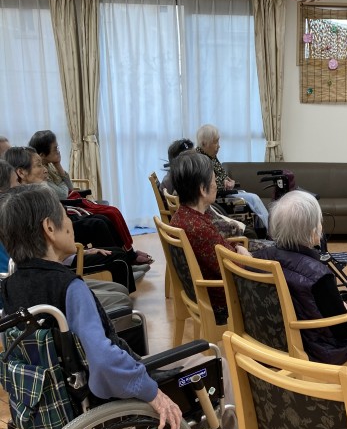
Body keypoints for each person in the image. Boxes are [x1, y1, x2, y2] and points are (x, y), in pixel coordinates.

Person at [0, 184, 181, 429]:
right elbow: (104, 361)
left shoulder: (10, 287)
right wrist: (152, 392)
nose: (70, 223)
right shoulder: (70, 288)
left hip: (53, 401)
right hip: (97, 399)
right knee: (209, 358)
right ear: (49, 228)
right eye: (65, 215)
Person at [252, 190, 347, 410]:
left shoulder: (261, 257)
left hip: (278, 336)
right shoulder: (318, 275)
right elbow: (342, 331)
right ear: (313, 233)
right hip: (317, 347)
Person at [4, 146, 139, 292]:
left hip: (59, 260)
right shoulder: (26, 208)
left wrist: (82, 251)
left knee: (106, 230)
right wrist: (79, 251)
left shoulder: (35, 196)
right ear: (21, 172)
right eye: (39, 165)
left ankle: (127, 266)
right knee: (114, 253)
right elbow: (47, 248)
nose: (44, 169)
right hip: (58, 267)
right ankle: (125, 275)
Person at [28, 130, 153, 266]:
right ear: (42, 155)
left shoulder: (50, 167)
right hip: (66, 210)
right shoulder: (39, 175)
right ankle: (121, 261)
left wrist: (58, 165)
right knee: (103, 219)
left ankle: (127, 255)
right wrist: (61, 185)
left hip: (67, 206)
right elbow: (64, 193)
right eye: (55, 149)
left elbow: (68, 188)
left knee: (110, 214)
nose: (58, 151)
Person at [170, 149, 251, 325]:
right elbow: (237, 269)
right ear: (202, 189)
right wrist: (245, 256)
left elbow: (219, 249)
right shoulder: (198, 228)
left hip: (215, 289)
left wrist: (237, 248)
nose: (216, 185)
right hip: (225, 302)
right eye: (214, 180)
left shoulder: (182, 216)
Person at [196, 124, 270, 231]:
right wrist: (223, 183)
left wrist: (229, 181)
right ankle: (270, 230)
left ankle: (267, 229)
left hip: (224, 192)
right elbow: (207, 184)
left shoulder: (211, 156)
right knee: (254, 199)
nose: (219, 146)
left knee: (253, 200)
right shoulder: (200, 160)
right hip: (217, 197)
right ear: (204, 143)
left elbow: (223, 176)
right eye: (215, 142)